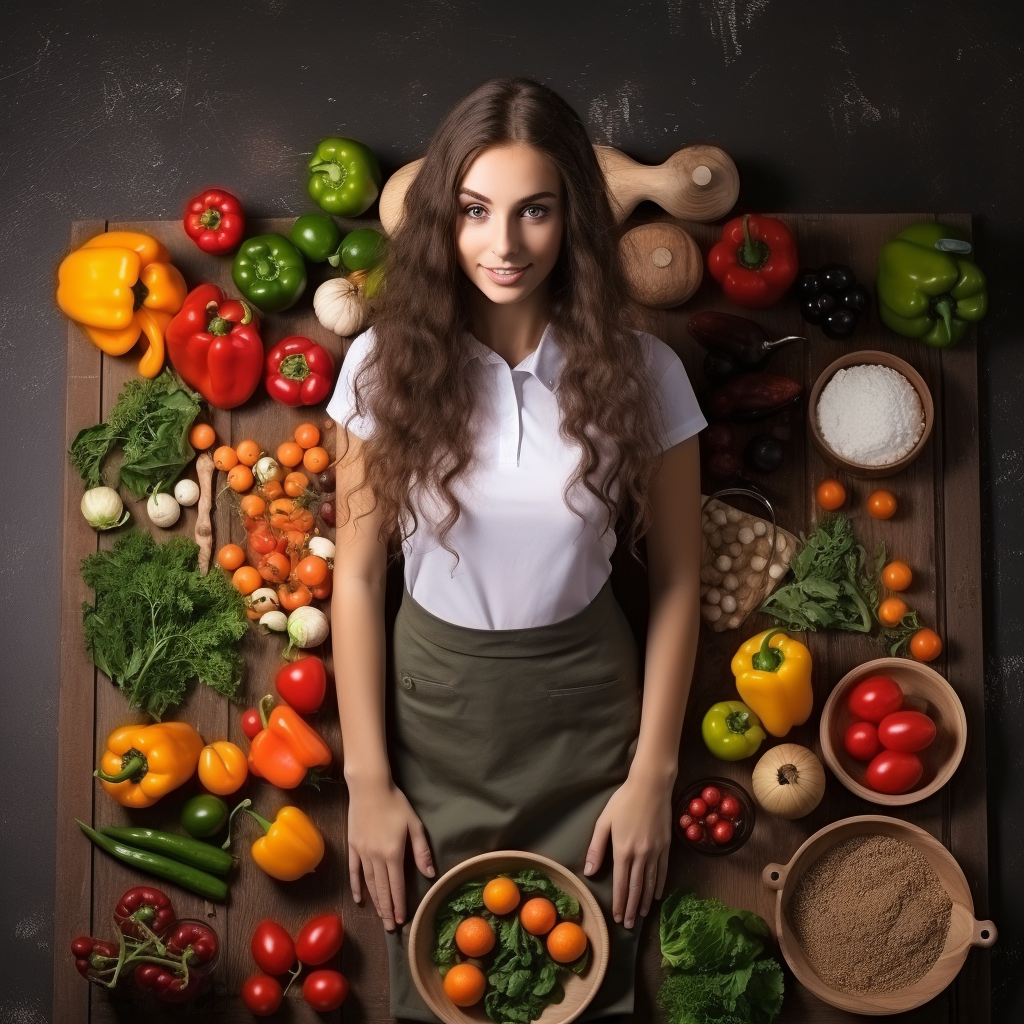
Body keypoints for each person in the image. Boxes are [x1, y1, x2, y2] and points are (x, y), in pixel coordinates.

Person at [328, 76, 705, 1022]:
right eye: (475, 211)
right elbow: (361, 576)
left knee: (588, 993)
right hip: (432, 709)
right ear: (440, 221)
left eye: (535, 210)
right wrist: (368, 782)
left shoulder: (646, 371)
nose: (505, 245)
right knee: (438, 989)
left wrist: (653, 776)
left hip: (590, 706)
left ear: (572, 215)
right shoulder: (379, 366)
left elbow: (677, 581)